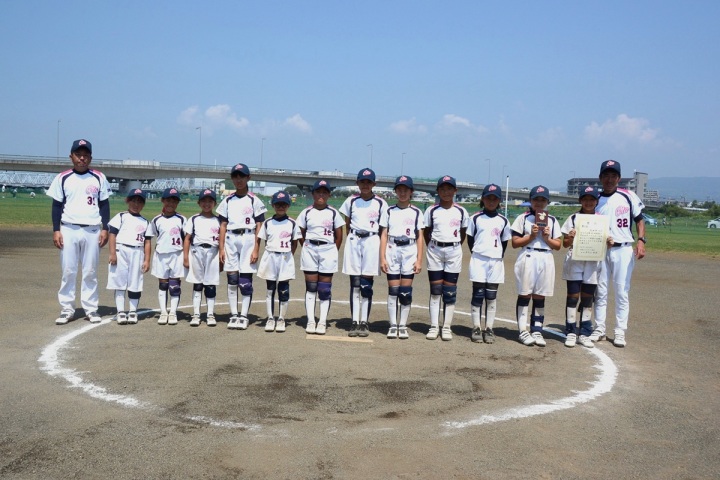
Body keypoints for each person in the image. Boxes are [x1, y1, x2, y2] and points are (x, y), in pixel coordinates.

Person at [48, 139, 110, 325]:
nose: (82, 158)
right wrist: (56, 230)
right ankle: (67, 309)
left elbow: (104, 204)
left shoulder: (98, 177)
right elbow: (56, 205)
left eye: (85, 155)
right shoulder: (63, 177)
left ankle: (91, 309)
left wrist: (105, 228)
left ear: (90, 157)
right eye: (78, 155)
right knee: (68, 270)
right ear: (71, 156)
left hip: (92, 229)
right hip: (69, 228)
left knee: (90, 271)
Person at [591, 160, 646, 348]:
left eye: (613, 175)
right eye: (606, 175)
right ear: (600, 178)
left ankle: (620, 331)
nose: (609, 179)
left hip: (623, 249)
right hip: (601, 250)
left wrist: (641, 240)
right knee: (600, 291)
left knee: (622, 291)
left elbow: (639, 220)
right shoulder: (595, 199)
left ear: (619, 178)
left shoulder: (628, 196)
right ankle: (599, 328)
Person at [217, 163, 267, 330]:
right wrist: (221, 248)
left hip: (248, 238)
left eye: (242, 176)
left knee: (245, 281)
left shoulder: (254, 199)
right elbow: (222, 225)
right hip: (231, 238)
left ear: (248, 178)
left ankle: (244, 315)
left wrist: (256, 248)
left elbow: (259, 224)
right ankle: (234, 314)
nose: (238, 180)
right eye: (235, 177)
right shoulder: (227, 200)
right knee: (232, 279)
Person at [340, 168, 389, 337]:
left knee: (366, 284)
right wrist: (354, 237)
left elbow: (383, 228)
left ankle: (364, 322)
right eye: (362, 182)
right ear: (357, 183)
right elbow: (347, 224)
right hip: (354, 239)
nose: (365, 185)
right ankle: (354, 321)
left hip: (372, 240)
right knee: (355, 282)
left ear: (374, 184)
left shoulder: (381, 203)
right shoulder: (351, 200)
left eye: (369, 182)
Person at [510, 185, 562, 346]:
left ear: (547, 202)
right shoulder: (523, 218)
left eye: (543, 200)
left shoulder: (552, 220)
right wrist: (531, 236)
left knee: (540, 295)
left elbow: (558, 245)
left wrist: (546, 238)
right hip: (528, 254)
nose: (539, 203)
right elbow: (515, 243)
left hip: (546, 256)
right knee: (525, 294)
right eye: (536, 199)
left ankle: (537, 330)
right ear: (530, 200)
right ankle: (522, 330)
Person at [423, 175, 469, 341]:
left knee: (449, 291)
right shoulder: (431, 210)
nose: (446, 192)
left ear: (455, 190)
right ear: (437, 191)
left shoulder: (461, 211)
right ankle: (434, 326)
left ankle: (447, 327)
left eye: (449, 189)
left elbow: (463, 233)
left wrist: (453, 245)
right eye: (442, 189)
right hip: (435, 250)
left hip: (453, 250)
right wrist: (434, 245)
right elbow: (426, 231)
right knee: (435, 290)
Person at [379, 175, 425, 339]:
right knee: (393, 290)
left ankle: (403, 325)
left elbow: (420, 237)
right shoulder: (389, 211)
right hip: (392, 249)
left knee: (405, 292)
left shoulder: (416, 212)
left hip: (409, 250)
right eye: (399, 189)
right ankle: (393, 324)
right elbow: (384, 235)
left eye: (406, 190)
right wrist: (382, 258)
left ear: (411, 191)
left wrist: (419, 260)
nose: (403, 193)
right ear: (396, 191)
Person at [298, 179, 344, 335]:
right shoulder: (306, 212)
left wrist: (332, 250)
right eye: (318, 192)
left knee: (324, 289)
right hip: (310, 248)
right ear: (313, 194)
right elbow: (301, 233)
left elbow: (339, 235)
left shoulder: (333, 212)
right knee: (311, 287)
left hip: (328, 249)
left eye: (325, 192)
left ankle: (322, 321)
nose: (321, 195)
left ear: (329, 195)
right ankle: (311, 321)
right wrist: (307, 246)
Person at [467, 184, 511, 344]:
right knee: (478, 294)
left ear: (499, 201)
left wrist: (496, 254)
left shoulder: (503, 221)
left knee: (491, 296)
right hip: (479, 259)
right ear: (483, 199)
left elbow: (504, 242)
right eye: (488, 198)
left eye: (494, 198)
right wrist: (479, 253)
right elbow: (470, 240)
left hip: (495, 260)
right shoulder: (475, 218)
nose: (491, 201)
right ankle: (476, 327)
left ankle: (489, 328)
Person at [560, 186, 604, 348]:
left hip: (592, 260)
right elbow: (565, 243)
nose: (588, 202)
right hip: (575, 259)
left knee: (587, 298)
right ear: (580, 200)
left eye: (592, 199)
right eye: (585, 199)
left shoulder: (601, 220)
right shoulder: (573, 218)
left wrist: (609, 241)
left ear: (596, 201)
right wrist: (570, 237)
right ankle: (571, 331)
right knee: (573, 296)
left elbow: (605, 241)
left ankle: (585, 332)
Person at [257, 190, 302, 333]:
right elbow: (264, 240)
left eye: (283, 204)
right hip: (271, 256)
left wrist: (288, 255)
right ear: (273, 205)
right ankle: (270, 318)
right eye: (277, 204)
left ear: (288, 205)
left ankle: (281, 319)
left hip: (285, 257)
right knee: (270, 288)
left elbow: (295, 243)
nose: (280, 207)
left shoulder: (292, 223)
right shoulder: (267, 222)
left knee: (284, 289)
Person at [107, 188, 151, 325]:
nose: (136, 204)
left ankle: (132, 311)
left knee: (135, 283)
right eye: (133, 201)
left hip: (137, 252)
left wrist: (147, 260)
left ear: (143, 204)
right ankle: (120, 311)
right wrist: (112, 253)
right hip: (121, 250)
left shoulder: (145, 222)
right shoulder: (121, 216)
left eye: (139, 202)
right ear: (128, 201)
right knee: (119, 282)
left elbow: (147, 242)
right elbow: (112, 235)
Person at [146, 187, 187, 325]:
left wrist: (186, 257)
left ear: (177, 203)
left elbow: (186, 239)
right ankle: (163, 312)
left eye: (174, 201)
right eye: (168, 200)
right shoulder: (156, 220)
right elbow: (150, 237)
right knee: (163, 285)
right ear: (163, 201)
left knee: (174, 285)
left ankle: (173, 312)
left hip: (177, 255)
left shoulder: (182, 219)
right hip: (161, 255)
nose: (171, 204)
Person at [183, 189, 221, 327]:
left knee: (210, 285)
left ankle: (210, 314)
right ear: (199, 203)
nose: (207, 204)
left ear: (215, 203)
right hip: (197, 251)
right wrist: (186, 257)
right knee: (197, 284)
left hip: (213, 252)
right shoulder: (194, 219)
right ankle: (196, 314)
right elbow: (187, 239)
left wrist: (222, 257)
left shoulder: (218, 220)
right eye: (204, 201)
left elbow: (222, 241)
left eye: (210, 201)